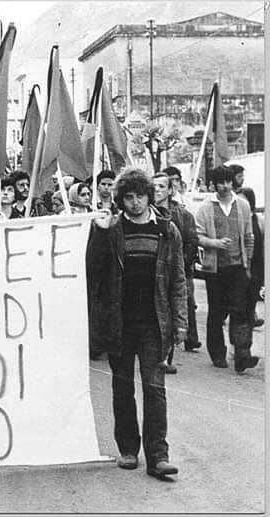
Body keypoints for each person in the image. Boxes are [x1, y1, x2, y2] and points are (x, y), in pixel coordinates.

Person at [87, 168, 186, 480]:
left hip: (155, 324)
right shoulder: (112, 229)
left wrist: (180, 323)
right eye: (128, 197)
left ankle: (158, 456)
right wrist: (100, 233)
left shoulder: (167, 230)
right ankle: (128, 449)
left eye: (140, 196)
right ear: (121, 199)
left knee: (155, 390)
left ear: (149, 196)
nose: (135, 202)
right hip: (120, 323)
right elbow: (93, 271)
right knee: (122, 388)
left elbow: (178, 279)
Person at [195, 166, 258, 372]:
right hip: (215, 269)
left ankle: (242, 354)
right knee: (217, 312)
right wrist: (215, 243)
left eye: (228, 182)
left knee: (240, 310)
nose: (225, 186)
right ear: (214, 185)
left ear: (233, 183)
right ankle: (217, 353)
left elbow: (249, 236)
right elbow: (198, 236)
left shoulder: (242, 205)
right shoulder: (206, 207)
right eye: (220, 183)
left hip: (238, 266)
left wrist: (247, 263)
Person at [153, 172, 200, 372]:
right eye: (154, 186)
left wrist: (181, 263)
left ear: (170, 190)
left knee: (179, 307)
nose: (157, 190)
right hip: (155, 271)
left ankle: (167, 354)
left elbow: (192, 241)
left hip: (179, 270)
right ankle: (160, 355)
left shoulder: (183, 215)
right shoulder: (146, 213)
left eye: (161, 186)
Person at [236, 188, 264, 328]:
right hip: (240, 266)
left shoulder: (259, 220)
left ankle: (251, 317)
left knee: (251, 298)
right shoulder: (237, 218)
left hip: (256, 267)